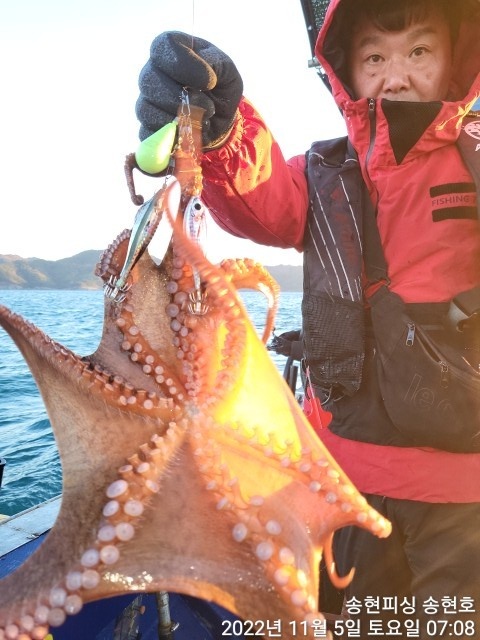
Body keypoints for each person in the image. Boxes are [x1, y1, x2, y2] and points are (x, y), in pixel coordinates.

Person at [135, 0, 480, 636]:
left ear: (456, 60)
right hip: (345, 481)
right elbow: (261, 196)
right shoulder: (324, 173)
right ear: (346, 72)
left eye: (419, 52)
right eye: (374, 57)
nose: (396, 75)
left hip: (466, 495)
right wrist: (220, 130)